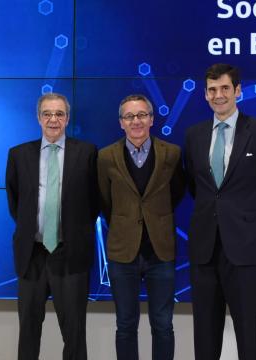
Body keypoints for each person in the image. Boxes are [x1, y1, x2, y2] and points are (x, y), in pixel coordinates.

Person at [184, 64, 256, 360]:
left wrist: (247, 221)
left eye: (225, 88)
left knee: (248, 332)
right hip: (204, 250)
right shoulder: (194, 135)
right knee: (204, 334)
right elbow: (196, 186)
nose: (219, 95)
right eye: (212, 90)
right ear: (205, 94)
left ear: (238, 91)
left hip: (246, 249)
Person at [5, 93, 99, 360]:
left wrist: (72, 231)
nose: (53, 119)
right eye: (47, 113)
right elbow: (15, 202)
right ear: (38, 118)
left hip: (70, 254)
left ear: (67, 118)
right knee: (28, 331)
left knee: (74, 333)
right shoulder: (19, 154)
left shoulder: (87, 152)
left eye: (59, 113)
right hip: (31, 255)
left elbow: (94, 201)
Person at [98, 94, 185, 360]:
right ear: (121, 123)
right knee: (125, 325)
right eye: (129, 116)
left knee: (163, 325)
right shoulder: (105, 156)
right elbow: (104, 199)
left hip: (160, 253)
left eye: (141, 115)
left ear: (151, 118)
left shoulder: (172, 153)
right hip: (123, 253)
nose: (136, 121)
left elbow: (177, 193)